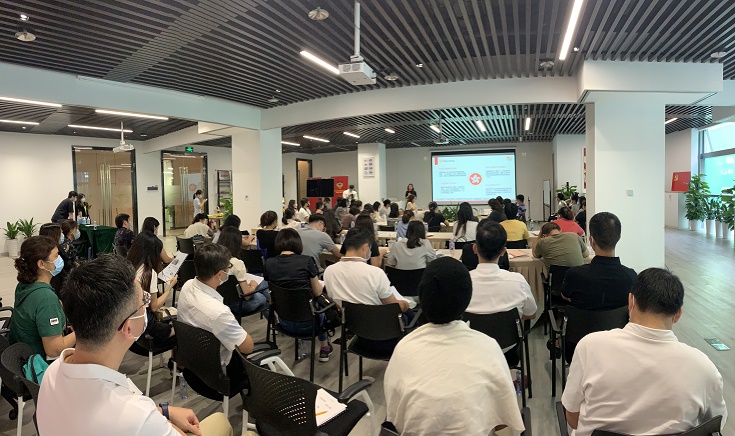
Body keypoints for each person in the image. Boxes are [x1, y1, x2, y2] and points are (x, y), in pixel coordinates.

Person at [38, 254, 232, 436]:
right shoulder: (136, 417)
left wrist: (162, 412)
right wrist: (158, 420)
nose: (146, 306)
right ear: (128, 327)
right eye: (143, 302)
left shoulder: (52, 372)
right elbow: (138, 421)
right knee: (221, 422)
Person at [562, 268, 727, 435]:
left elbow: (572, 418)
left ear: (631, 301)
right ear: (678, 314)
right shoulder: (703, 368)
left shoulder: (590, 347)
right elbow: (715, 426)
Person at [384, 257, 525, 436]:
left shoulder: (403, 348)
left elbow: (395, 416)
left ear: (422, 297)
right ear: (467, 299)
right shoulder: (488, 347)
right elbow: (501, 420)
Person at [177, 244, 256, 401]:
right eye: (227, 269)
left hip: (192, 367)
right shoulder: (218, 313)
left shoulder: (187, 286)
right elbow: (247, 347)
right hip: (217, 378)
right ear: (220, 274)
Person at [324, 228, 411, 353]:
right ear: (365, 247)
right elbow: (394, 306)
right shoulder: (375, 273)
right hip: (384, 335)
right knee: (409, 313)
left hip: (355, 330)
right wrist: (405, 304)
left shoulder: (329, 271)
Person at [264, 229, 333, 361]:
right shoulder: (307, 261)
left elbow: (272, 289)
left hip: (284, 322)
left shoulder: (269, 263)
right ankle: (324, 347)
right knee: (320, 301)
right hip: (310, 324)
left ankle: (302, 343)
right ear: (298, 243)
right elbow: (317, 292)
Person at [9, 236, 76, 359]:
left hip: (21, 353)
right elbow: (54, 350)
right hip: (40, 362)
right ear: (41, 264)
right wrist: (80, 332)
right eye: (56, 256)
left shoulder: (24, 285)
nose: (60, 259)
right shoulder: (46, 298)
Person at [561, 212, 636, 310]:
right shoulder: (631, 277)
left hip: (582, 320)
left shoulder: (574, 274)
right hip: (618, 321)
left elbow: (565, 296)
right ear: (619, 238)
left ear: (591, 240)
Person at [467, 221, 536, 320]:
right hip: (509, 330)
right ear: (503, 251)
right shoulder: (518, 281)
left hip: (471, 330)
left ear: (474, 248)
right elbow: (530, 314)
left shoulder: (462, 282)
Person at [127, 232, 177, 347]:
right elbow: (154, 307)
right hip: (146, 325)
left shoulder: (129, 266)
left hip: (129, 322)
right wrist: (169, 288)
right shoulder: (148, 273)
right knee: (180, 329)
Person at [218, 227, 268, 317]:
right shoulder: (237, 263)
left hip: (222, 302)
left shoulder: (215, 260)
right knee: (264, 295)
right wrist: (253, 285)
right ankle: (275, 319)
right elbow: (247, 296)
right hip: (239, 305)